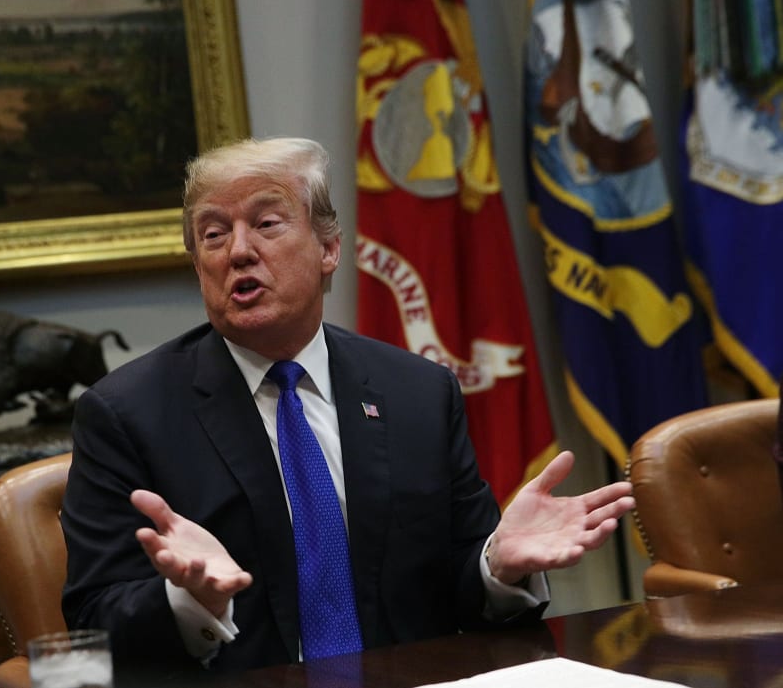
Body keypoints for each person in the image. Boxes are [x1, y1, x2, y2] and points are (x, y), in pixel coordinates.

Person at [61, 137, 635, 679]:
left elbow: (460, 591)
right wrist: (187, 601)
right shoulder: (126, 414)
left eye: (265, 224)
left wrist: (499, 568)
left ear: (329, 248)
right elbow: (92, 621)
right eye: (212, 235)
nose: (238, 251)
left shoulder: (418, 393)